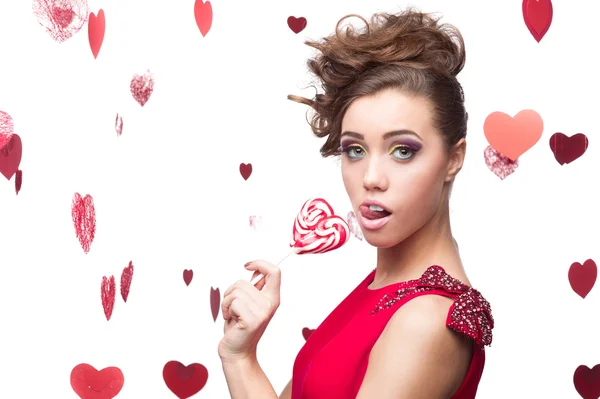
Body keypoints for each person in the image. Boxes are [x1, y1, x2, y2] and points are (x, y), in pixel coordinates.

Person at [218, 8, 495, 399]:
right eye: (355, 150)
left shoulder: (426, 319)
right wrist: (240, 356)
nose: (370, 177)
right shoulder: (381, 288)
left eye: (402, 150)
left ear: (454, 158)